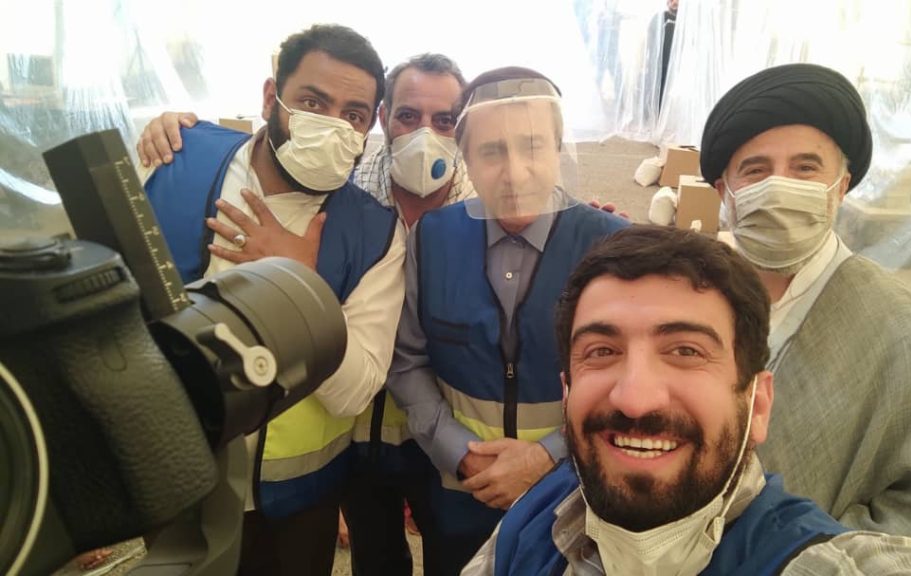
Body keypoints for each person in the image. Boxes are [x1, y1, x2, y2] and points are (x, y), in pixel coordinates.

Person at [463, 225, 911, 575]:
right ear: (567, 394)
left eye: (685, 351)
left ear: (757, 405)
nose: (635, 398)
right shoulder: (530, 522)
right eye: (602, 351)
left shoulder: (819, 563)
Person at [699, 62, 911, 571]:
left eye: (805, 168)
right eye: (757, 170)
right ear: (725, 192)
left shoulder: (909, 335)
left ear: (841, 186)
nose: (781, 187)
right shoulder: (697, 299)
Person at [142, 24, 405, 575]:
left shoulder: (376, 233)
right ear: (270, 98)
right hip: (169, 476)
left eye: (354, 115)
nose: (331, 125)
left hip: (295, 500)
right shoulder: (173, 159)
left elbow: (356, 390)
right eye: (312, 102)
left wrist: (298, 282)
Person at [386, 66, 629, 575]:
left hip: (574, 495)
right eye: (492, 151)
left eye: (533, 146)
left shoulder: (611, 246)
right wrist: (461, 453)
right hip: (462, 492)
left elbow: (628, 379)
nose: (515, 173)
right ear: (466, 158)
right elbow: (407, 362)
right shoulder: (433, 239)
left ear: (558, 149)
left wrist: (547, 457)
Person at [344, 52, 472, 576]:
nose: (425, 134)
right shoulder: (344, 193)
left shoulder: (488, 208)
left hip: (446, 435)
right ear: (383, 118)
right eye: (408, 116)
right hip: (357, 431)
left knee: (455, 558)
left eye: (444, 120)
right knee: (375, 560)